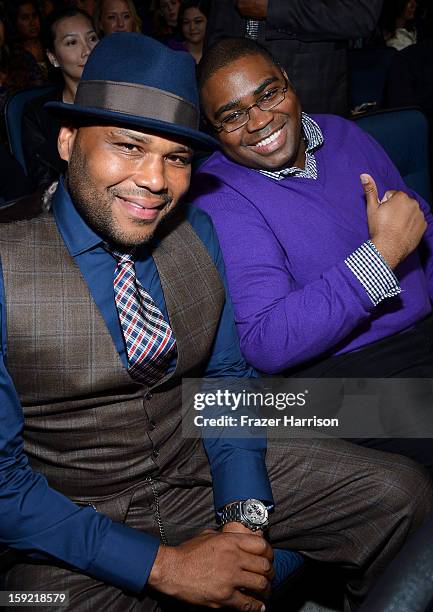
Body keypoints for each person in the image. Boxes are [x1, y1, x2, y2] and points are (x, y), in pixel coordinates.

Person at [0, 32, 432, 612]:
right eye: (129, 146)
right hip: (82, 509)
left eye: (175, 156)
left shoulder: (195, 231)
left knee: (400, 493)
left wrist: (244, 519)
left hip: (198, 460)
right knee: (29, 602)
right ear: (67, 138)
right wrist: (163, 566)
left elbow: (226, 380)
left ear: (290, 82)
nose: (156, 181)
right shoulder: (221, 206)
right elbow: (268, 348)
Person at [192, 37, 433, 471]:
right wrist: (380, 257)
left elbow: (416, 223)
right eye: (232, 116)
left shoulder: (343, 133)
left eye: (268, 94)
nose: (260, 120)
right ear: (212, 130)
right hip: (327, 384)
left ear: (288, 79)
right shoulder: (219, 196)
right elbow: (267, 341)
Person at [204, 0, 384, 116]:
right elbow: (220, 18)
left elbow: (360, 16)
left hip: (309, 85)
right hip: (233, 83)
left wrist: (274, 9)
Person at [21, 7, 99, 188]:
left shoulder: (124, 100)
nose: (87, 50)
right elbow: (45, 184)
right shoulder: (39, 114)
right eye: (72, 42)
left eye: (92, 38)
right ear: (53, 57)